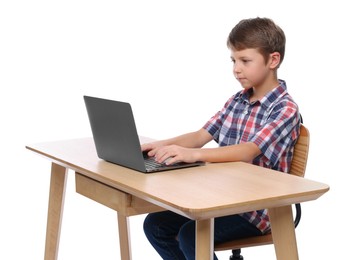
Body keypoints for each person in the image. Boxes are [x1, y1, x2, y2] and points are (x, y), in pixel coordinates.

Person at [141, 17, 301, 260]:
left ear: (273, 60)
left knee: (190, 235)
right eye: (233, 60)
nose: (236, 68)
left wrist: (193, 155)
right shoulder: (236, 101)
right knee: (155, 225)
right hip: (220, 198)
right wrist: (161, 145)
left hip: (256, 210)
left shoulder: (284, 109)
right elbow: (200, 136)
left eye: (245, 61)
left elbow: (248, 150)